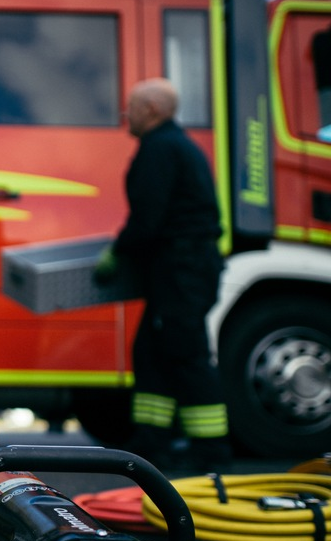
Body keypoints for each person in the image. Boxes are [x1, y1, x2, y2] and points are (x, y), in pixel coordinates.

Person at [96, 78, 231, 471]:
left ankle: (211, 451)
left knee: (186, 354)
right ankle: (151, 444)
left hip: (181, 269)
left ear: (151, 110)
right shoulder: (174, 146)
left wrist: (119, 251)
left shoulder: (158, 149)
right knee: (152, 353)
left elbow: (149, 218)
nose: (126, 115)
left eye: (132, 107)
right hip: (182, 267)